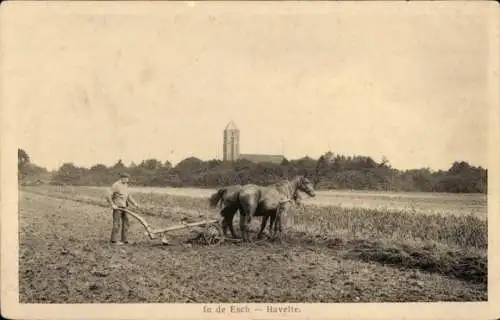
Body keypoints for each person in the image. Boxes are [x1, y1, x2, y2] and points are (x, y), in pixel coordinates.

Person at [107, 172, 140, 245]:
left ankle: (124, 240)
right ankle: (114, 240)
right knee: (117, 223)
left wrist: (135, 203)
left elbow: (128, 196)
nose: (127, 180)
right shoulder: (116, 185)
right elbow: (108, 195)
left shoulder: (126, 185)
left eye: (128, 179)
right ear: (122, 178)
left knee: (126, 222)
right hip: (118, 207)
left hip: (124, 207)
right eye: (126, 178)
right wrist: (112, 204)